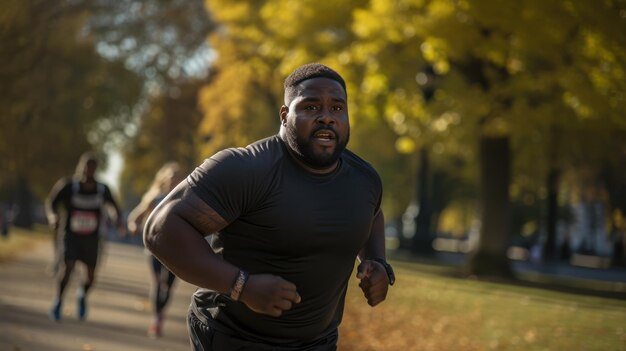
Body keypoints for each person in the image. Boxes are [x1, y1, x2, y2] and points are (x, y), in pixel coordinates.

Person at [144, 63, 395, 350]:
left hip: (318, 343)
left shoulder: (364, 180)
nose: (327, 118)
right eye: (311, 107)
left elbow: (371, 213)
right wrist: (241, 286)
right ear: (285, 115)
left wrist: (376, 262)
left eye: (337, 108)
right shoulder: (246, 169)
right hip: (234, 338)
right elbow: (160, 229)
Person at [46, 151, 125, 321]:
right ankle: (58, 301)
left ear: (96, 169)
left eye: (92, 167)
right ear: (80, 167)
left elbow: (114, 207)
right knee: (67, 267)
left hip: (92, 238)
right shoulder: (68, 186)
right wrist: (53, 216)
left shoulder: (102, 189)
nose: (87, 170)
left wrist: (117, 220)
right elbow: (52, 203)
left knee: (90, 276)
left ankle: (82, 295)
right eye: (85, 167)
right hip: (71, 235)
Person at [127, 162, 185, 337]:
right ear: (164, 180)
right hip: (155, 248)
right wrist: (133, 226)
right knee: (158, 283)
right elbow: (134, 217)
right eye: (170, 178)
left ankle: (160, 315)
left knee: (168, 286)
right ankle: (157, 319)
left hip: (177, 250)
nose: (173, 182)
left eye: (177, 179)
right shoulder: (155, 198)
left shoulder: (186, 199)